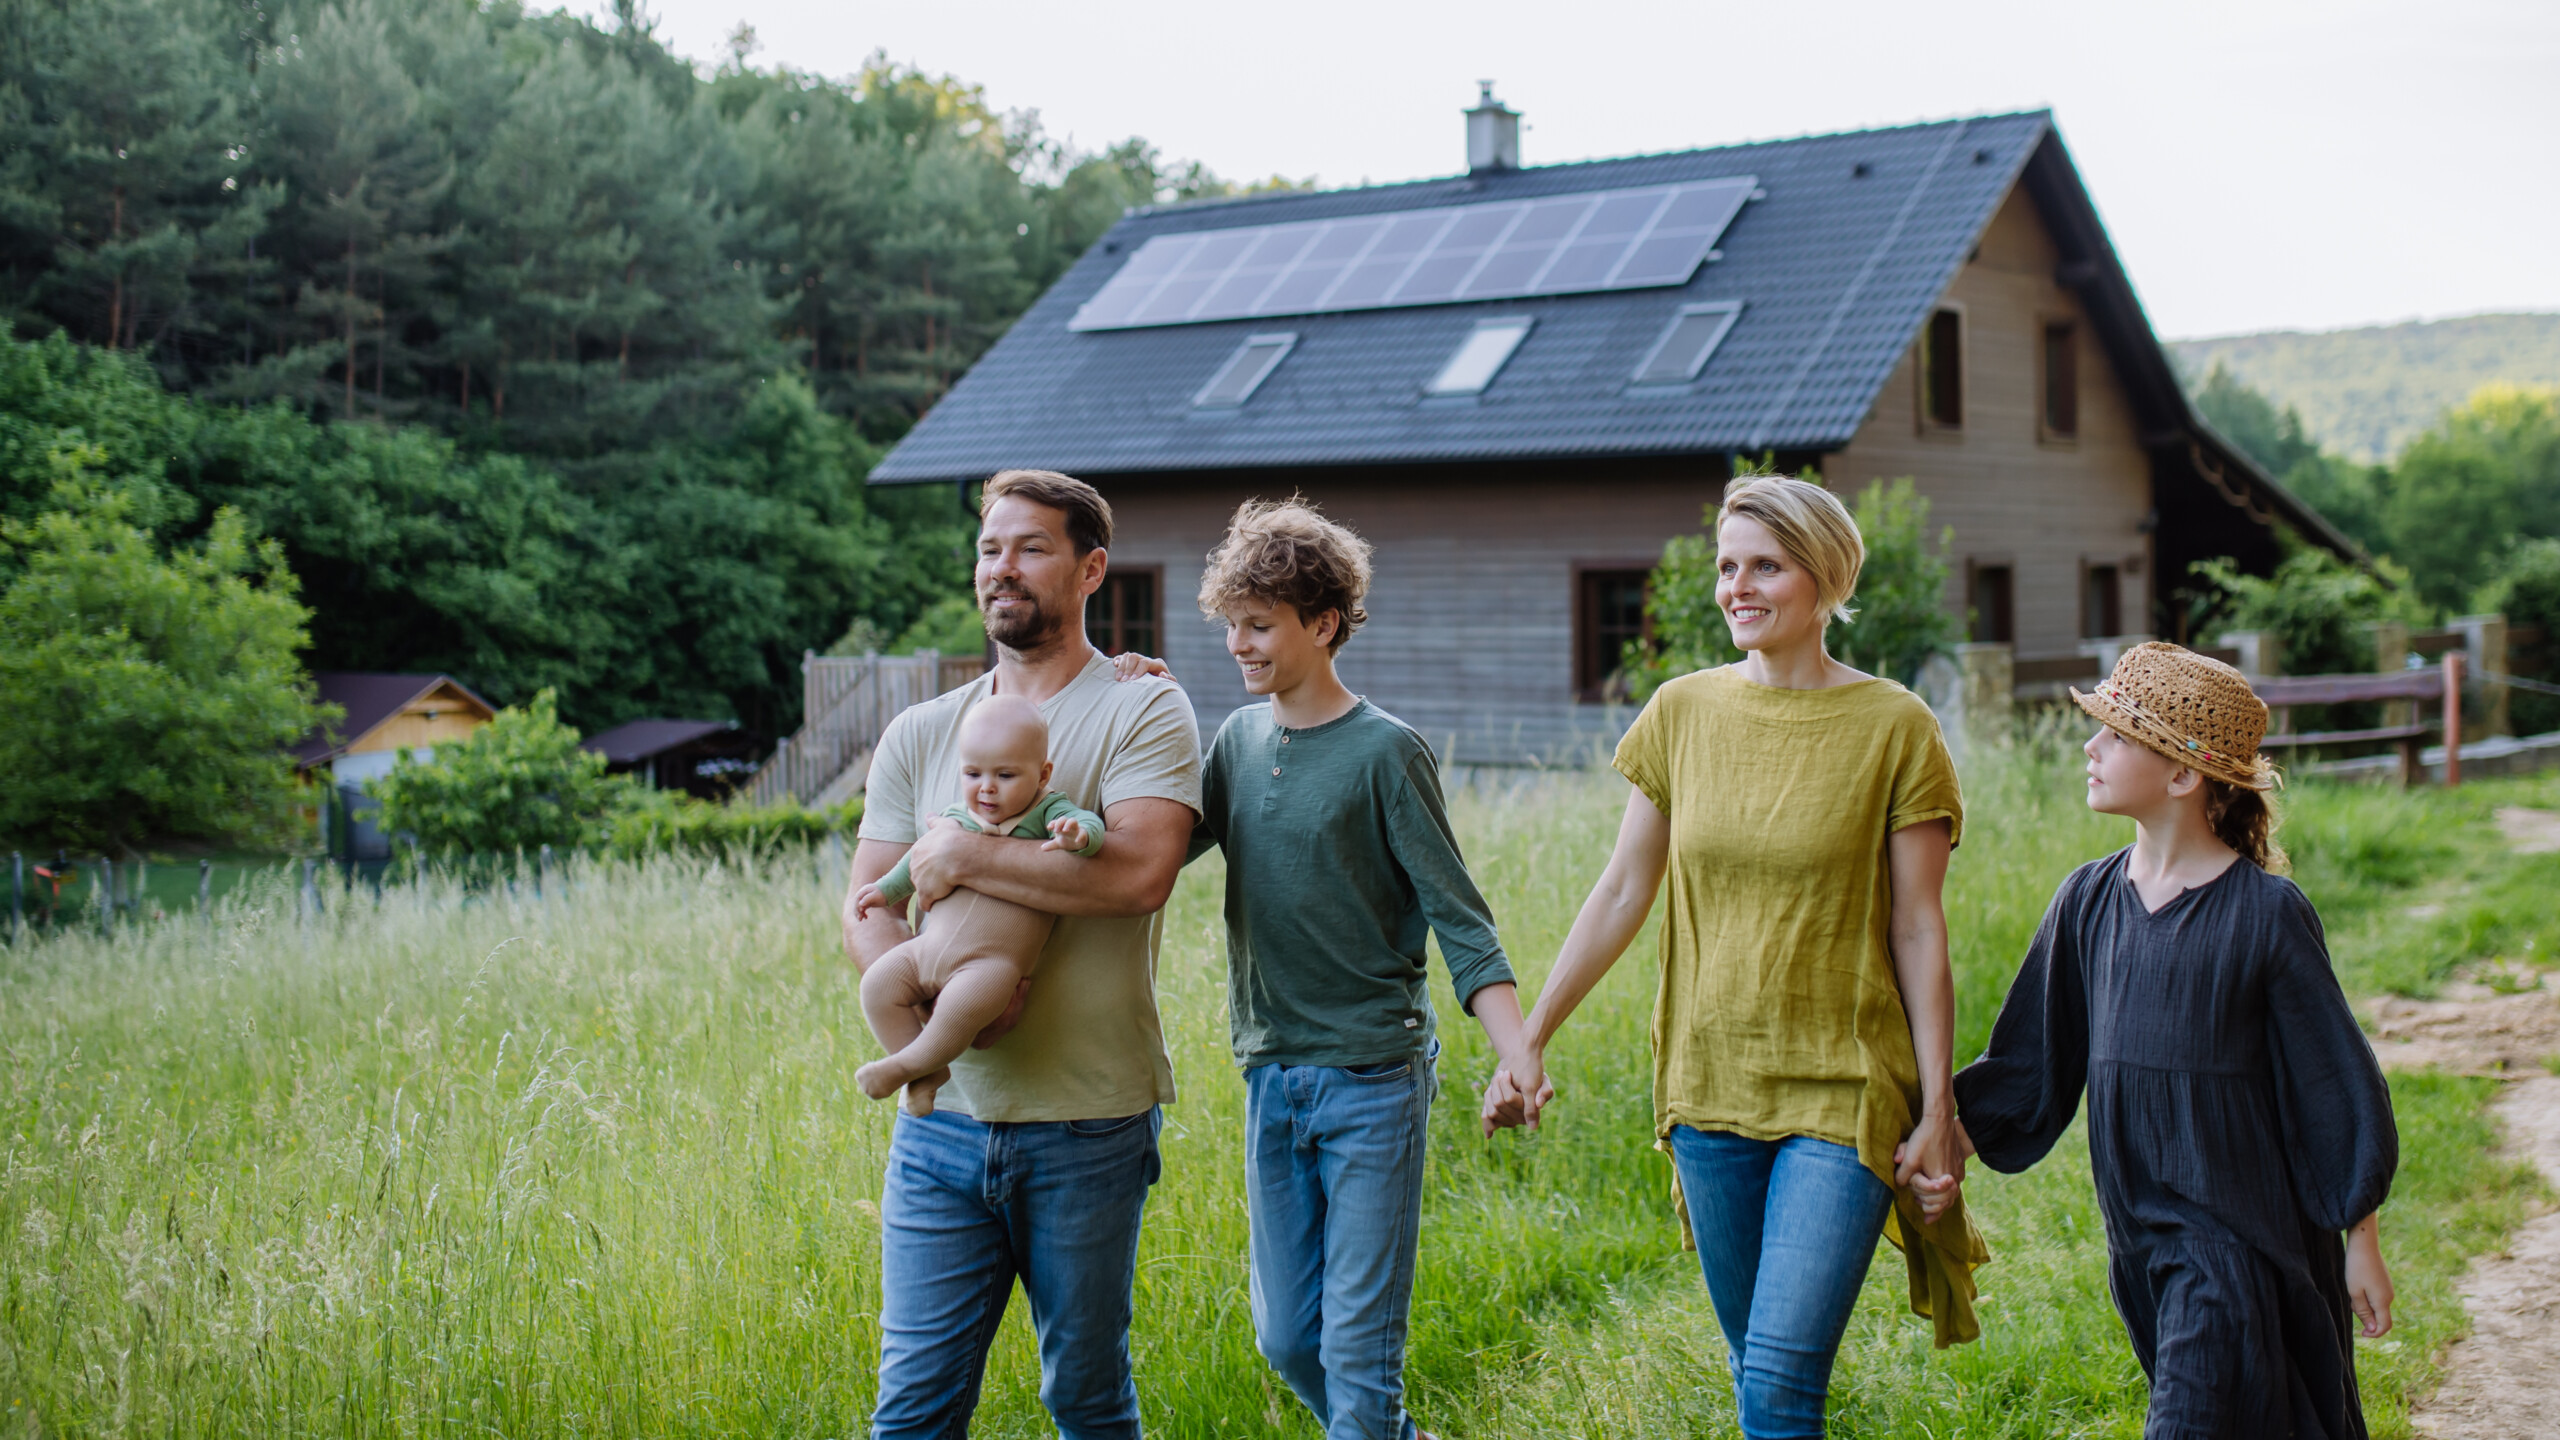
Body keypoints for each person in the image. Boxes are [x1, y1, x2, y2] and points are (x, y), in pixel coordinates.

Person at [1484, 473, 1983, 1438]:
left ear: (1826, 578)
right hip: (1709, 1085)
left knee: (1784, 1385)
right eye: (1726, 565)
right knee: (1755, 1369)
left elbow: (1920, 927)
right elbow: (1625, 888)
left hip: (1840, 1090)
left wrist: (1938, 1110)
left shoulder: (1896, 728)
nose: (1736, 587)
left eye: (1766, 565)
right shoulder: (1680, 712)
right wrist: (1530, 1038)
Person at [1952, 642, 2397, 1439]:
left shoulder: (2266, 914)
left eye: (2116, 736)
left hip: (2237, 1239)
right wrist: (1938, 1138)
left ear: (2183, 775)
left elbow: (2329, 1082)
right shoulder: (2086, 901)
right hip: (2141, 1245)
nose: (2089, 747)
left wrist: (2358, 1236)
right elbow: (2029, 1063)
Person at [843, 468, 1201, 1440]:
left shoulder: (1142, 708)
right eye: (989, 548)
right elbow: (867, 900)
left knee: (1084, 1400)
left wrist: (966, 854)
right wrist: (926, 1013)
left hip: (1085, 1122)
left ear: (1090, 569)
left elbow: (1136, 876)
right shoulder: (923, 732)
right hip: (939, 1127)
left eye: (1030, 547)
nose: (1002, 567)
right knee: (912, 1411)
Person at [1175, 497, 1534, 1440]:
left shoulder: (1386, 752)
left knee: (1357, 1362)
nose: (1240, 646)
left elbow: (1463, 922)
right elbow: (1156, 848)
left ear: (1323, 624)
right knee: (1288, 1339)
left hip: (1373, 1079)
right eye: (1232, 627)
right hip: (1271, 1075)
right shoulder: (1236, 745)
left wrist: (1518, 1053)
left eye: (1259, 626)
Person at [851, 693, 1107, 1116]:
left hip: (990, 963)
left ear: (1042, 774)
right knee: (877, 986)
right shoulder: (956, 817)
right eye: (973, 773)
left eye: (1005, 775)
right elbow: (914, 860)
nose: (986, 787)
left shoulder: (1047, 811)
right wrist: (885, 890)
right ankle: (923, 1071)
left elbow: (1093, 826)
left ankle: (909, 1065)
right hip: (925, 949)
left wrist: (1075, 836)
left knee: (961, 1007)